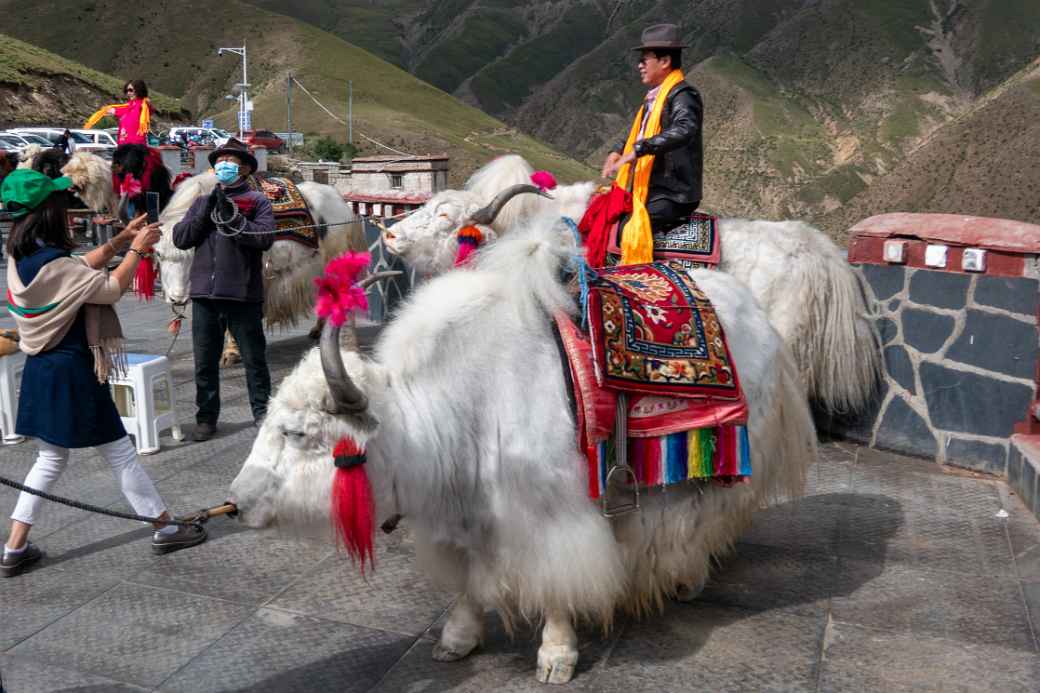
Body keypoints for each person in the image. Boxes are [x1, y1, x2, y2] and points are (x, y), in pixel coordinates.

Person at [1, 169, 207, 577]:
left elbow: (77, 269)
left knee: (49, 459)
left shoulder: (21, 257)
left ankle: (14, 547)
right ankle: (165, 528)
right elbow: (108, 288)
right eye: (60, 204)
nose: (67, 210)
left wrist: (119, 241)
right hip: (72, 371)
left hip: (42, 369)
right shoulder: (53, 263)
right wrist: (139, 251)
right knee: (119, 453)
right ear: (47, 213)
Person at [172, 139, 274, 442]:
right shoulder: (201, 202)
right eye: (220, 161)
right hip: (205, 296)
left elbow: (264, 238)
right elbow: (181, 238)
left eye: (231, 161)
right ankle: (206, 418)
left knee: (254, 360)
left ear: (243, 169)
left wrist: (234, 218)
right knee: (204, 363)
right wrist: (205, 212)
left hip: (243, 295)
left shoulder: (257, 201)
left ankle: (262, 413)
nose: (223, 165)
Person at [601, 23, 703, 263]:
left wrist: (640, 149)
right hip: (653, 189)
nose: (640, 65)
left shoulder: (683, 95)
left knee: (628, 230)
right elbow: (638, 133)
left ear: (665, 61)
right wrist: (618, 151)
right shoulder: (654, 99)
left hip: (674, 193)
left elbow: (685, 128)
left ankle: (636, 279)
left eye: (644, 60)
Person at [82, 79, 152, 146]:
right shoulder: (128, 107)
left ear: (139, 90)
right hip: (122, 144)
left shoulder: (143, 105)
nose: (128, 93)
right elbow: (118, 111)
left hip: (135, 145)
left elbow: (150, 111)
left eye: (130, 90)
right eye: (126, 91)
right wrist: (109, 111)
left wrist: (148, 104)